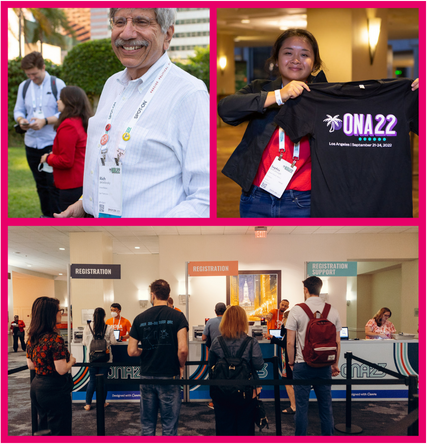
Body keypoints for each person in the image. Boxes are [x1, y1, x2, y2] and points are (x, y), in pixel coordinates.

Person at [54, 8, 209, 219]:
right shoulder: (112, 84)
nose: (126, 34)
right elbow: (108, 158)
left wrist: (153, 238)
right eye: (119, 22)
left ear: (168, 35)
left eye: (141, 22)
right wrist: (86, 202)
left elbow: (204, 196)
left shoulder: (189, 93)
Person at [218, 29, 326, 218]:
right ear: (276, 59)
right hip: (255, 198)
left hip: (303, 200)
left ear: (315, 62)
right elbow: (226, 110)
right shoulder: (261, 89)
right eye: (288, 53)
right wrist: (279, 95)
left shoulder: (325, 97)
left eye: (304, 54)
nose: (296, 59)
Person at [128, 279, 188, 436]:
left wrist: (147, 351)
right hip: (169, 374)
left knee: (147, 425)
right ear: (169, 296)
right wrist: (181, 366)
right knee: (169, 426)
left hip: (147, 375)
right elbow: (182, 349)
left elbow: (132, 351)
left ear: (152, 295)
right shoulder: (178, 316)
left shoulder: (139, 318)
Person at [286, 277, 341, 436]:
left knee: (301, 408)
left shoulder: (296, 310)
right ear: (320, 288)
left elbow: (290, 342)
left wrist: (291, 362)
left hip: (302, 365)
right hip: (324, 365)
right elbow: (337, 342)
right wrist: (335, 363)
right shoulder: (332, 310)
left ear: (305, 290)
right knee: (325, 406)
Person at [14, 51, 66, 217]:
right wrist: (22, 120)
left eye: (34, 74)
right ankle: (45, 216)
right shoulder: (25, 86)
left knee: (53, 184)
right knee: (40, 184)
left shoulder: (57, 84)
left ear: (43, 67)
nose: (32, 78)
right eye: (28, 74)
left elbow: (67, 111)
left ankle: (58, 217)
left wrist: (45, 120)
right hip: (31, 143)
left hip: (51, 142)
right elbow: (18, 110)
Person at [208, 305, 264, 436]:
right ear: (243, 321)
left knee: (224, 427)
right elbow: (258, 365)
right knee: (245, 427)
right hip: (246, 392)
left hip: (222, 392)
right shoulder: (251, 342)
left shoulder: (217, 342)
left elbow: (211, 366)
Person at [26, 297, 76, 436]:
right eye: (59, 310)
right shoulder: (55, 339)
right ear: (50, 314)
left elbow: (31, 365)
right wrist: (71, 360)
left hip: (37, 387)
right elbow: (61, 369)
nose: (61, 313)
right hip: (54, 389)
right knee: (60, 429)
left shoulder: (33, 337)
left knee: (44, 428)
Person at [40, 86, 93, 212]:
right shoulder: (82, 121)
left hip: (71, 185)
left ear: (70, 102)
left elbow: (66, 161)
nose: (57, 101)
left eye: (60, 99)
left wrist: (48, 158)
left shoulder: (68, 125)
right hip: (82, 181)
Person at [82, 307, 117, 411]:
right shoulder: (108, 328)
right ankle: (102, 403)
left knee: (92, 380)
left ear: (93, 316)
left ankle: (88, 404)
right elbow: (114, 342)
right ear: (104, 316)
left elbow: (84, 342)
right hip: (105, 359)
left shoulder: (87, 327)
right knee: (103, 381)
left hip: (92, 359)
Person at [264, 309, 296, 414]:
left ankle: (294, 406)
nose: (281, 319)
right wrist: (283, 326)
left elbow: (285, 344)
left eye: (283, 318)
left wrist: (272, 337)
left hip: (289, 360)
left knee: (288, 382)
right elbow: (283, 335)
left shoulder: (290, 331)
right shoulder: (292, 329)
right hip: (292, 359)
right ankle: (296, 405)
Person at [202, 302, 227, 409]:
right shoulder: (229, 321)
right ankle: (227, 400)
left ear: (215, 311)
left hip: (214, 354)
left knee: (214, 377)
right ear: (225, 311)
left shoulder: (210, 322)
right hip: (228, 354)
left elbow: (203, 338)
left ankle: (214, 402)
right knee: (228, 376)